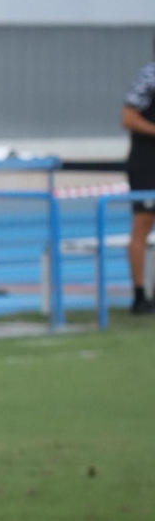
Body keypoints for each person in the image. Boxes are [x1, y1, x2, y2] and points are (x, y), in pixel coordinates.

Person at [122, 37, 155, 315]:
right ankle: (139, 295)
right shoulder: (149, 76)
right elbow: (128, 118)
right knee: (142, 226)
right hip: (148, 163)